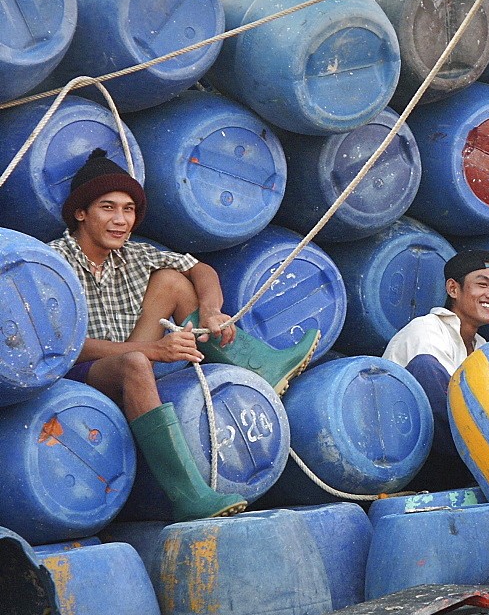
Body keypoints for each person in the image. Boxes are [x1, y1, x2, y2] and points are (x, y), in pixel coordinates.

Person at [48, 148, 320, 522]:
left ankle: (263, 366)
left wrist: (210, 310)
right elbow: (65, 348)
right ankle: (189, 494)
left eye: (129, 210)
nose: (121, 220)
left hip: (140, 356)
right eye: (108, 208)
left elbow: (202, 269)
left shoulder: (134, 255)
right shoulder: (53, 263)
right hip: (85, 377)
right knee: (135, 363)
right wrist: (153, 349)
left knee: (174, 281)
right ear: (81, 213)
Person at [383, 249, 489, 490]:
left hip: (458, 460)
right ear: (453, 289)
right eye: (483, 285)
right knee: (426, 367)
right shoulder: (426, 330)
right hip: (411, 459)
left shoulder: (485, 348)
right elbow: (444, 408)